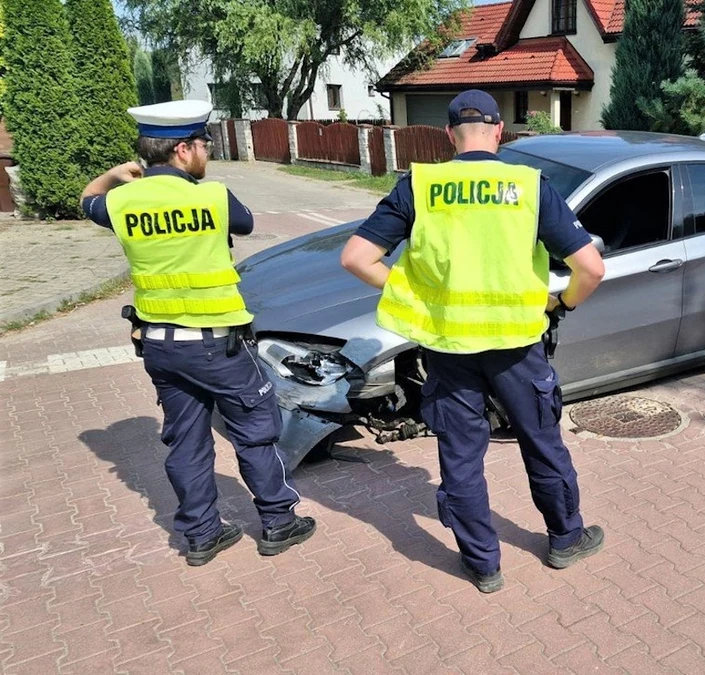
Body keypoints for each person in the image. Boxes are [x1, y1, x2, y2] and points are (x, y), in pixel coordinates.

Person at [341, 90, 606, 593]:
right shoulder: (529, 186)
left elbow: (356, 257)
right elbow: (590, 268)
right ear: (499, 132)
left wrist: (412, 292)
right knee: (542, 443)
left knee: (461, 458)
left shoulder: (421, 184)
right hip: (518, 348)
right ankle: (565, 539)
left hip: (448, 350)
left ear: (449, 135)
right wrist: (561, 304)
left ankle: (484, 565)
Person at [81, 100, 316, 566]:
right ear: (183, 149)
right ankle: (277, 521)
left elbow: (87, 199)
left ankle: (202, 535)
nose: (208, 152)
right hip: (218, 345)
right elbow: (245, 223)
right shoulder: (212, 197)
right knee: (254, 430)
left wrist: (117, 173)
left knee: (186, 441)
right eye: (204, 144)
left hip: (160, 348)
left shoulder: (121, 201)